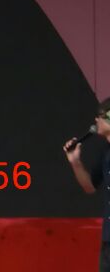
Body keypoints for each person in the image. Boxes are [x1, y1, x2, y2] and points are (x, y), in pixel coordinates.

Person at [64, 97, 110, 272]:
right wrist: (75, 162)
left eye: (100, 115)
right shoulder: (105, 153)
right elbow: (90, 187)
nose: (96, 120)